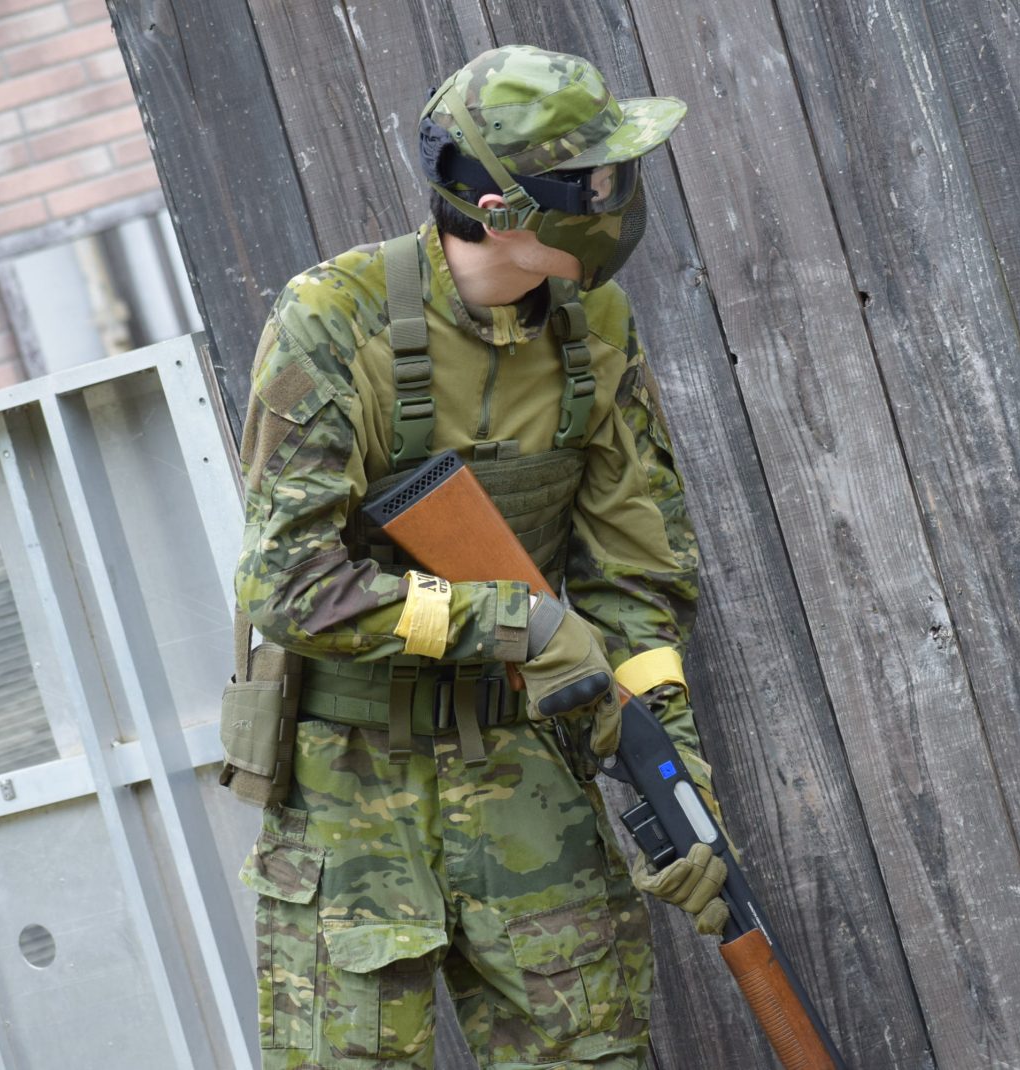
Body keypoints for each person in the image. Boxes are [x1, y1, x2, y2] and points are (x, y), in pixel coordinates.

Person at [233, 44, 728, 1070]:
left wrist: (671, 772)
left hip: (525, 776)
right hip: (350, 790)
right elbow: (287, 584)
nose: (616, 198)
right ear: (502, 210)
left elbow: (636, 577)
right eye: (591, 182)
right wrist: (512, 623)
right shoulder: (334, 321)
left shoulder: (596, 328)